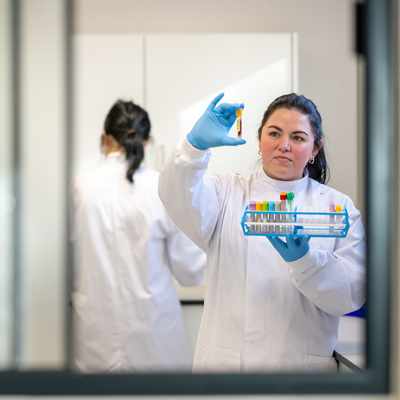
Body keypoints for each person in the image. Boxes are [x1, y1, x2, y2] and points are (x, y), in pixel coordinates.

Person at [158, 93, 366, 372]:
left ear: (315, 149)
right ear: (259, 141)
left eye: (298, 137)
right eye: (274, 133)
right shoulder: (225, 193)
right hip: (227, 371)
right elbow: (177, 195)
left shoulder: (337, 208)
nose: (284, 146)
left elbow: (348, 295)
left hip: (298, 373)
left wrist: (307, 262)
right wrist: (193, 148)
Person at [72, 100, 205, 372]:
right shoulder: (161, 186)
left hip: (96, 343)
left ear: (104, 140)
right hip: (155, 341)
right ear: (149, 141)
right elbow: (191, 270)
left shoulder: (80, 187)